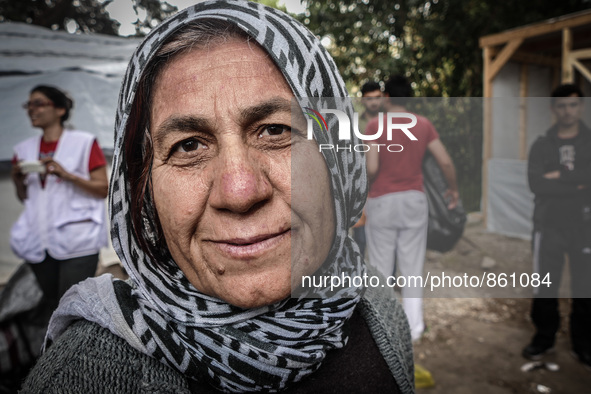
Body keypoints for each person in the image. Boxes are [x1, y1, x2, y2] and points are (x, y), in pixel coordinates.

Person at [22, 2, 414, 393]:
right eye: (188, 145)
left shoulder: (373, 302)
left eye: (276, 130)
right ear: (144, 193)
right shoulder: (85, 374)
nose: (240, 192)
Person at [365, 74, 459, 342]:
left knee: (381, 268)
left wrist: (365, 187)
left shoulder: (375, 125)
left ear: (386, 97)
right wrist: (453, 189)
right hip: (414, 201)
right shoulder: (424, 125)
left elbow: (371, 166)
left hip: (382, 201)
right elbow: (446, 162)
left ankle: (383, 329)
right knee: (412, 268)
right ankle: (414, 329)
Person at [10, 85, 109, 323]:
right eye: (29, 104)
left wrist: (68, 175)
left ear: (60, 109)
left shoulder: (84, 143)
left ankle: (75, 355)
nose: (32, 109)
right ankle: (54, 354)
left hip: (78, 239)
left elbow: (102, 189)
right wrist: (18, 179)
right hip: (39, 239)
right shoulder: (22, 150)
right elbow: (24, 197)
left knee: (72, 305)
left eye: (39, 103)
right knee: (53, 303)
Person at [523, 84, 591, 369]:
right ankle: (544, 337)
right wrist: (576, 181)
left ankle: (584, 343)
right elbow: (536, 183)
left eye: (573, 105)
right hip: (548, 225)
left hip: (584, 226)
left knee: (584, 287)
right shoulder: (542, 143)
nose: (567, 111)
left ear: (581, 107)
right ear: (554, 109)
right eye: (561, 105)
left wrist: (558, 176)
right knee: (545, 286)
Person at [351, 81, 385, 258]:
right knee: (361, 238)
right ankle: (360, 279)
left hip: (388, 188)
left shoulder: (393, 121)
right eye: (369, 99)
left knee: (386, 238)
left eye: (377, 98)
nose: (374, 102)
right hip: (363, 187)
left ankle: (390, 280)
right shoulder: (355, 125)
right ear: (362, 100)